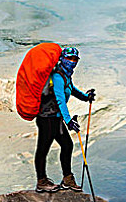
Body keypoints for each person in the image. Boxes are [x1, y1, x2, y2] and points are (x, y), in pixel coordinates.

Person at [35, 47, 95, 193]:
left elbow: (72, 89)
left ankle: (67, 179)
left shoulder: (65, 75)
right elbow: (60, 99)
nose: (73, 62)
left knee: (67, 145)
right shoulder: (57, 76)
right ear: (62, 59)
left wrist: (86, 97)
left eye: (75, 59)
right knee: (43, 149)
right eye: (70, 58)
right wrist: (68, 121)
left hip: (55, 118)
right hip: (46, 118)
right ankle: (42, 181)